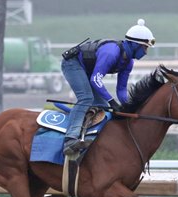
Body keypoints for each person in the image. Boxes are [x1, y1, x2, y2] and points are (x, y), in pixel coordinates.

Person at [61, 18, 155, 155]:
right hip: (73, 64)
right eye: (145, 47)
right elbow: (96, 79)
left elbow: (121, 90)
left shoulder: (128, 63)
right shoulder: (111, 53)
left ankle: (89, 138)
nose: (146, 52)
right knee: (86, 98)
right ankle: (70, 138)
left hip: (87, 70)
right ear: (135, 45)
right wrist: (112, 101)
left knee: (103, 105)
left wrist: (128, 107)